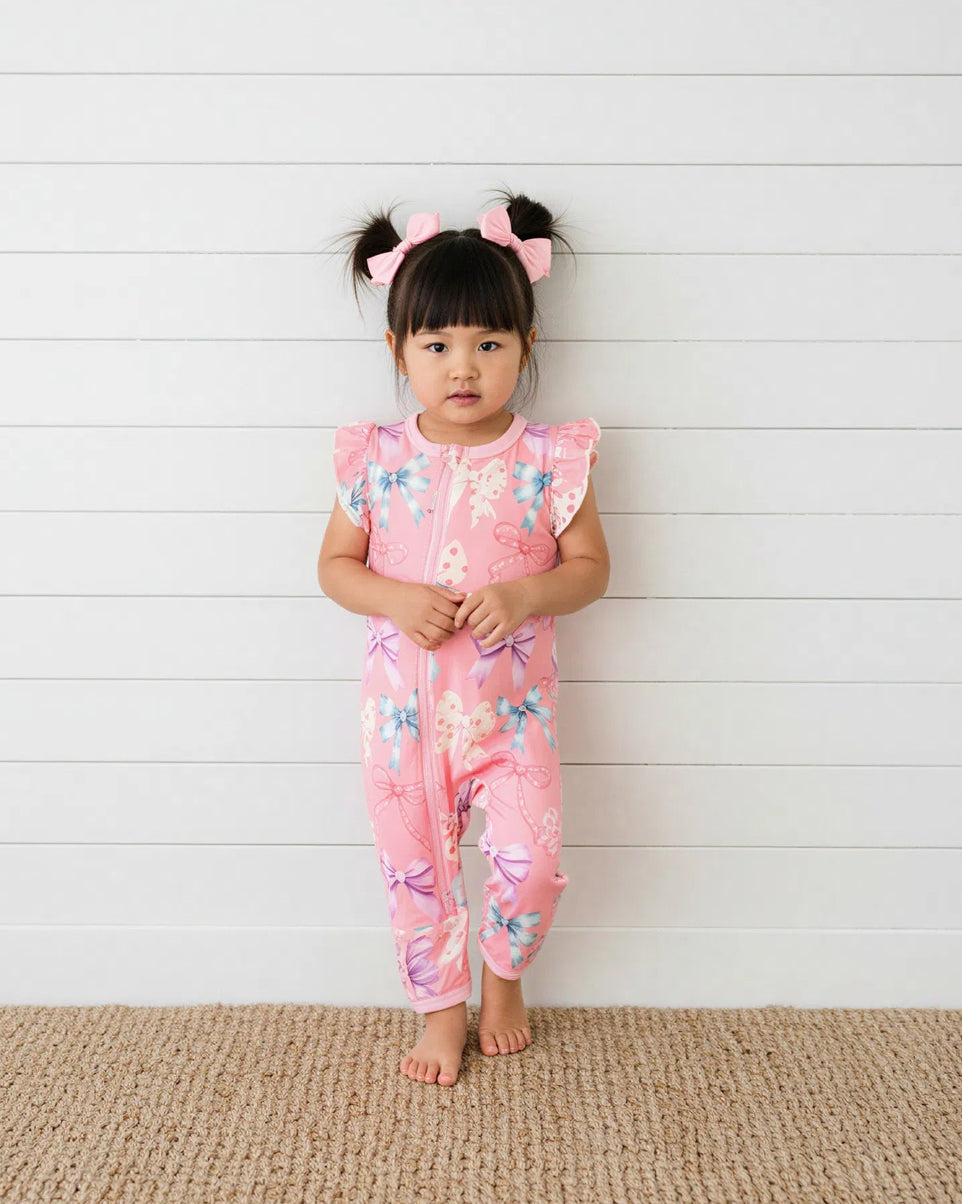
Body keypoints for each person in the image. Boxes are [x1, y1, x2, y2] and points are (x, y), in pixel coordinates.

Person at [317, 189, 610, 1088]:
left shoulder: (552, 457)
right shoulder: (374, 456)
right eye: (438, 346)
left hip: (512, 717)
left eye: (489, 343)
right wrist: (395, 599)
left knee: (530, 865)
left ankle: (504, 980)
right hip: (403, 720)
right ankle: (439, 1010)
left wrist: (525, 593)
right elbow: (335, 566)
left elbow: (591, 567)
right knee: (418, 870)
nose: (464, 367)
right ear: (399, 351)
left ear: (527, 346)